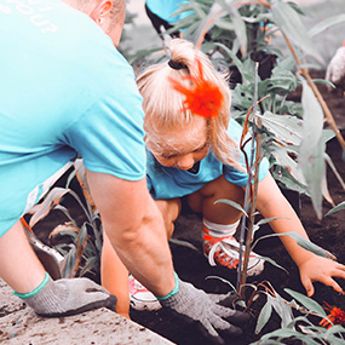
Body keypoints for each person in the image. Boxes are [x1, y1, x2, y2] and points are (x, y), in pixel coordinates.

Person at [0, 1, 247, 342]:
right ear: (106, 9)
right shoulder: (99, 72)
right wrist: (178, 295)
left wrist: (39, 291)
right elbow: (131, 229)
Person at [102, 38, 345, 313]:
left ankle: (218, 240)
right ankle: (145, 270)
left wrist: (308, 259)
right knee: (150, 214)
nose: (183, 163)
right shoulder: (132, 154)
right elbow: (118, 238)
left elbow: (270, 200)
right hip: (157, 201)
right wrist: (119, 318)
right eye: (168, 154)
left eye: (197, 149)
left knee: (239, 184)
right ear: (143, 132)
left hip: (206, 193)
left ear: (214, 127)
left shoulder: (230, 140)